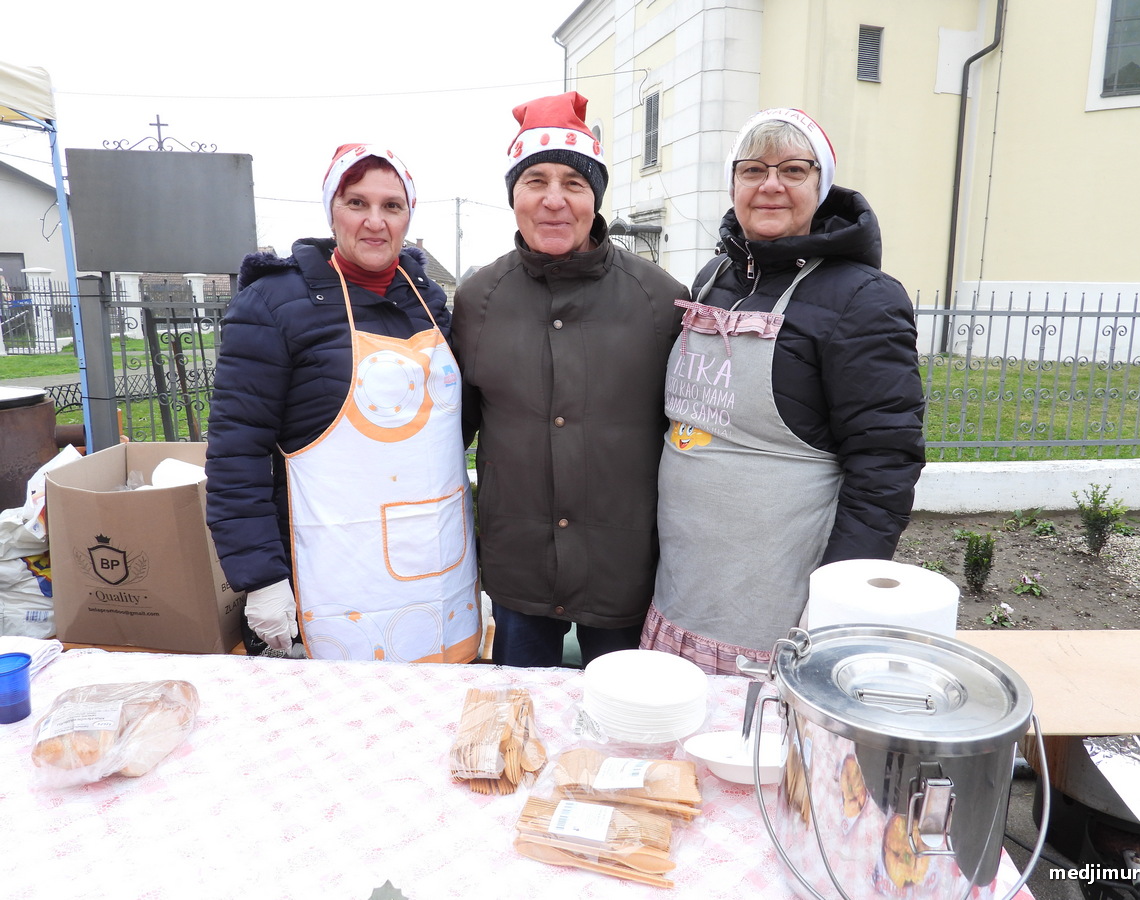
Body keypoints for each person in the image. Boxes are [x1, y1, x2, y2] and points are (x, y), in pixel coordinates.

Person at [641, 107, 926, 675]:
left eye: (793, 170)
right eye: (753, 170)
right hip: (684, 587)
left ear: (820, 187)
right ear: (733, 185)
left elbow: (884, 464)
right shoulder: (714, 279)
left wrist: (835, 601)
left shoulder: (863, 298)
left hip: (778, 605)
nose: (771, 185)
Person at [205, 144, 479, 662]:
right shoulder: (271, 304)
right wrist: (261, 576)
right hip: (334, 578)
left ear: (408, 217)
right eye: (357, 203)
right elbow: (235, 454)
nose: (375, 222)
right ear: (332, 210)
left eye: (392, 206)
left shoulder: (427, 300)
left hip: (439, 570)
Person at [451, 91, 688, 668]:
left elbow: (692, 438)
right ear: (513, 197)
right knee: (517, 720)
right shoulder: (479, 298)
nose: (553, 200)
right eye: (535, 181)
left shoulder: (660, 299)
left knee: (623, 728)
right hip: (519, 570)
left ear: (596, 199)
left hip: (623, 569)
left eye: (573, 184)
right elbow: (453, 431)